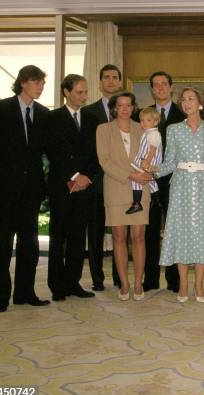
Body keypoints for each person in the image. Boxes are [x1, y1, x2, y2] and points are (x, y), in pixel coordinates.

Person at [0, 65, 50, 312]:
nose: (41, 87)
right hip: (4, 190)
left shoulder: (43, 113)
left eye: (42, 83)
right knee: (2, 243)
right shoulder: (0, 109)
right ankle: (1, 297)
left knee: (29, 244)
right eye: (37, 82)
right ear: (23, 82)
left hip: (31, 190)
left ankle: (25, 293)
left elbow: (46, 152)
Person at [153, 87, 204, 303]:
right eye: (183, 99)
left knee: (202, 233)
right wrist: (151, 170)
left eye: (191, 99)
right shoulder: (173, 129)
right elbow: (170, 161)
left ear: (200, 103)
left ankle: (199, 284)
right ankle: (183, 283)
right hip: (181, 185)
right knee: (181, 233)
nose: (186, 103)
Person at [44, 74, 99, 301]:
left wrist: (86, 176)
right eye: (79, 92)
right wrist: (74, 175)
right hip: (62, 186)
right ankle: (57, 286)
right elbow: (53, 151)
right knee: (59, 237)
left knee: (78, 237)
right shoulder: (53, 118)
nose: (84, 96)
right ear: (66, 92)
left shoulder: (92, 119)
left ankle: (73, 282)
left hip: (85, 186)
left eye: (86, 92)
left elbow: (97, 153)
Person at [96, 91, 152, 301]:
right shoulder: (103, 129)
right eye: (120, 105)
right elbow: (104, 160)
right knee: (119, 237)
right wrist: (130, 175)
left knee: (138, 237)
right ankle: (124, 283)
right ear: (114, 108)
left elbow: (151, 154)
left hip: (140, 190)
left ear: (134, 107)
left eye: (129, 105)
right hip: (116, 187)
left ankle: (138, 283)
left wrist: (147, 170)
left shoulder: (143, 129)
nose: (125, 109)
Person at [142, 71, 187, 293]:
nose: (159, 88)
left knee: (173, 231)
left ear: (171, 87)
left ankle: (173, 279)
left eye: (163, 84)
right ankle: (150, 279)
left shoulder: (183, 115)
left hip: (175, 181)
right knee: (149, 230)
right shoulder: (143, 115)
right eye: (155, 85)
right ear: (152, 89)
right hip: (149, 181)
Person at [83, 64, 123, 291]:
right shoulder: (88, 112)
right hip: (96, 182)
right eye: (106, 78)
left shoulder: (129, 111)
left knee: (120, 231)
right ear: (99, 83)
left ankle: (120, 278)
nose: (110, 81)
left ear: (119, 82)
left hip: (121, 182)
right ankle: (97, 279)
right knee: (96, 232)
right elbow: (88, 150)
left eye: (114, 77)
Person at [126, 108, 163, 215]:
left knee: (136, 178)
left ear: (155, 122)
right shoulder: (148, 132)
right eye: (142, 120)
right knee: (149, 180)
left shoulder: (153, 134)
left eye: (148, 120)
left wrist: (147, 161)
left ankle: (137, 203)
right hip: (145, 160)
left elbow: (153, 149)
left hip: (147, 160)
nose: (144, 123)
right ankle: (157, 200)